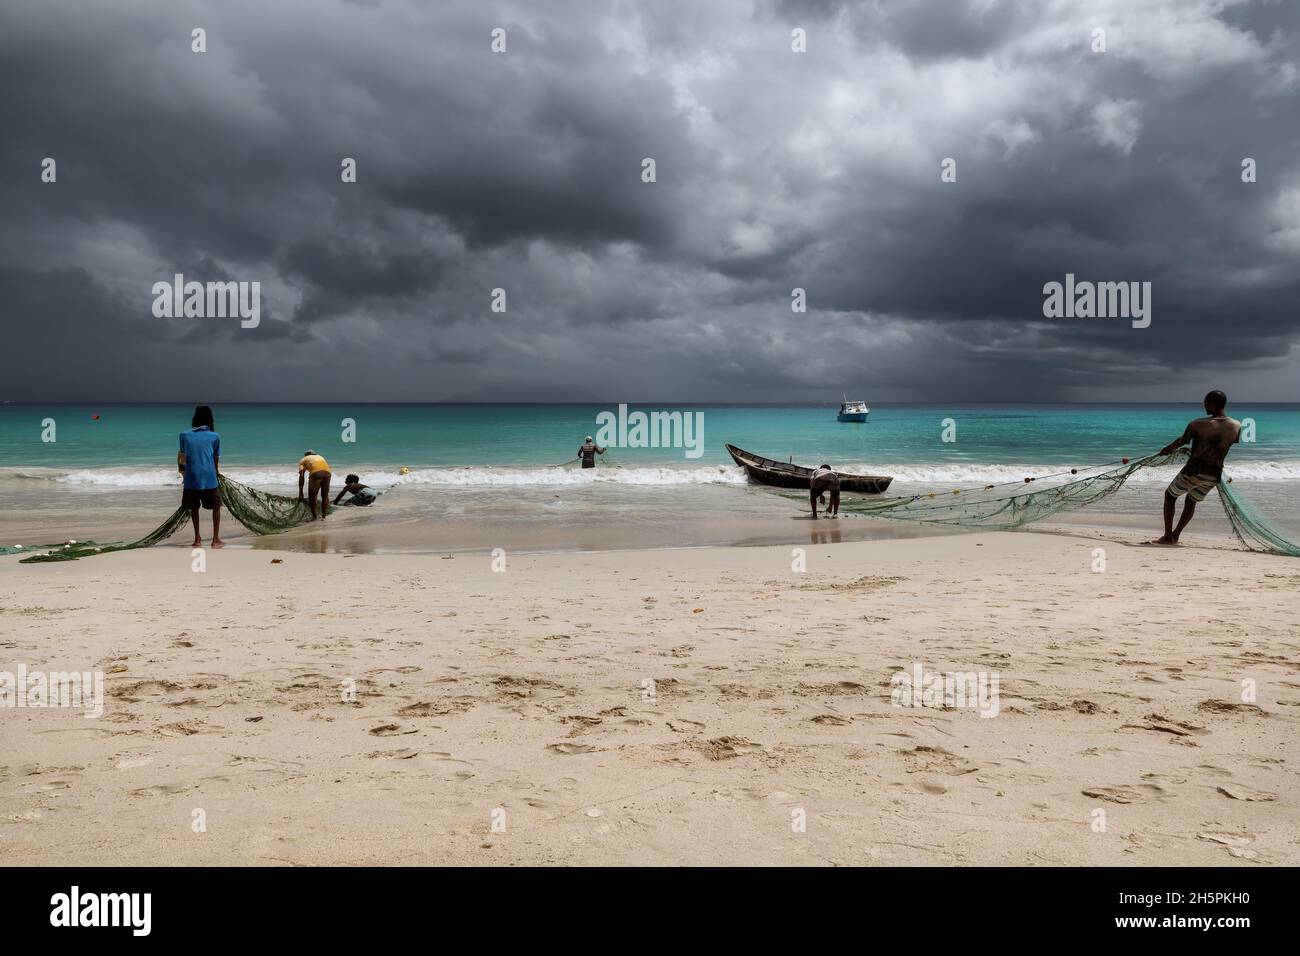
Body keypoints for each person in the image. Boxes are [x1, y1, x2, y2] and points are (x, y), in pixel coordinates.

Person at [1153, 390, 1241, 545]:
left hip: (1194, 471)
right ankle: (1176, 535)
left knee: (1170, 496)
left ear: (1214, 404)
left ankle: (1168, 536)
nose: (1204, 405)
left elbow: (1182, 441)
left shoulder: (1197, 424)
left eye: (1206, 402)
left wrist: (1166, 449)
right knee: (1191, 500)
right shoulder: (1236, 425)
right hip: (1214, 475)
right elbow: (1220, 446)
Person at [177, 405, 223, 548]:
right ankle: (215, 540)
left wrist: (184, 475)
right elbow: (215, 460)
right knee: (216, 507)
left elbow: (182, 459)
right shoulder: (215, 436)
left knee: (194, 508)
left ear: (195, 418)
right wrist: (217, 475)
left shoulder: (184, 435)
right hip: (209, 478)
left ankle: (197, 539)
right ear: (210, 419)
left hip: (191, 479)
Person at [298, 449, 333, 520]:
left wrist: (301, 492)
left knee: (312, 496)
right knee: (325, 496)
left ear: (306, 455)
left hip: (316, 473)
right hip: (328, 473)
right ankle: (324, 517)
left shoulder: (303, 460)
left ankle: (314, 517)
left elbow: (301, 476)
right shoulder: (320, 456)